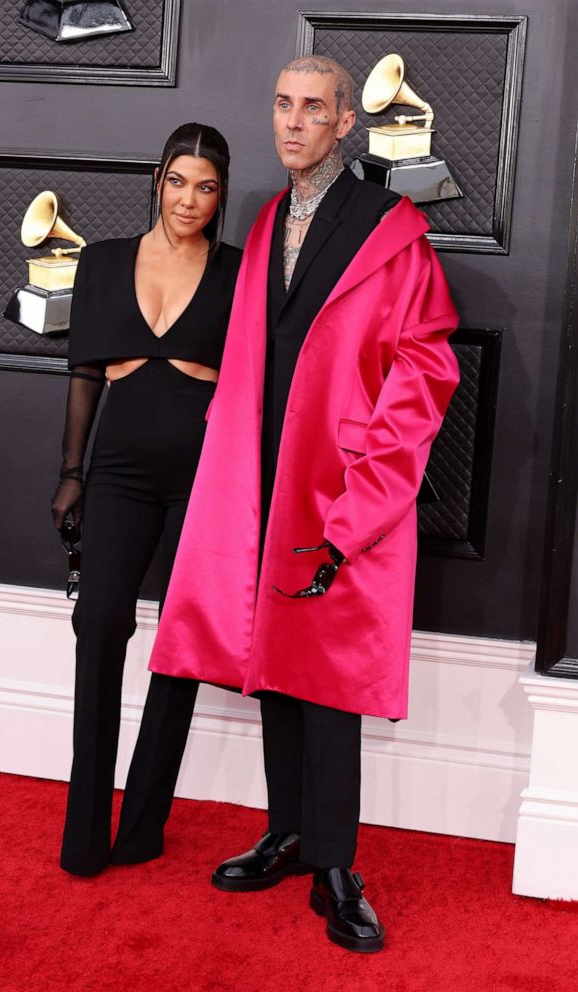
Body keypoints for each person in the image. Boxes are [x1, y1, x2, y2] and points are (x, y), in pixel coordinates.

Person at [147, 58, 460, 952]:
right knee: (270, 658)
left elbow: (425, 364)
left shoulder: (389, 230)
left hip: (337, 483)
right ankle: (288, 833)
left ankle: (334, 865)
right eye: (281, 105)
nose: (292, 123)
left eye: (312, 108)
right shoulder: (267, 216)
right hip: (260, 480)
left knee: (326, 680)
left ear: (343, 127)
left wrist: (365, 480)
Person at [51, 123, 242, 877]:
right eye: (176, 181)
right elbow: (84, 374)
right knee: (98, 624)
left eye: (205, 186)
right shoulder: (100, 262)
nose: (188, 199)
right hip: (120, 470)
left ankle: (144, 824)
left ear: (219, 194)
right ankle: (85, 830)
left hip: (204, 474)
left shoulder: (238, 271)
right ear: (157, 179)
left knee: (180, 644)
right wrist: (72, 472)